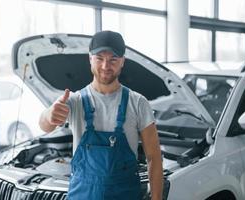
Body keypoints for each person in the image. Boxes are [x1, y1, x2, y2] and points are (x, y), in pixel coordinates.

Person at [39, 30, 163, 200]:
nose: (106, 66)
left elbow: (154, 157)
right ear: (90, 59)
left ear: (122, 62)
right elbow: (44, 125)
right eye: (100, 58)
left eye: (113, 59)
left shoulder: (138, 103)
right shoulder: (75, 101)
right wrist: (49, 115)